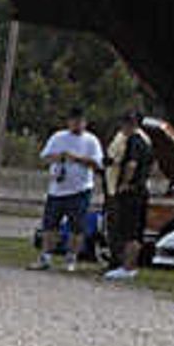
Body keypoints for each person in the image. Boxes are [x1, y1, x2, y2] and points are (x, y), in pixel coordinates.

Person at [34, 109, 104, 268]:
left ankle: (71, 258)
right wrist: (59, 157)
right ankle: (45, 257)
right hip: (57, 189)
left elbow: (97, 164)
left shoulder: (91, 141)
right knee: (50, 225)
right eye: (73, 121)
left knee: (77, 227)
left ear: (85, 122)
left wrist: (78, 159)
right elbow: (45, 157)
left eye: (79, 121)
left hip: (80, 190)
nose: (76, 124)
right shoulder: (58, 137)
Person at [101, 110, 164, 279]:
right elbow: (153, 165)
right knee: (136, 231)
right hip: (142, 189)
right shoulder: (147, 141)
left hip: (131, 192)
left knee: (128, 231)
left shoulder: (134, 141)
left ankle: (127, 267)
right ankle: (130, 266)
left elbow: (131, 164)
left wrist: (124, 183)